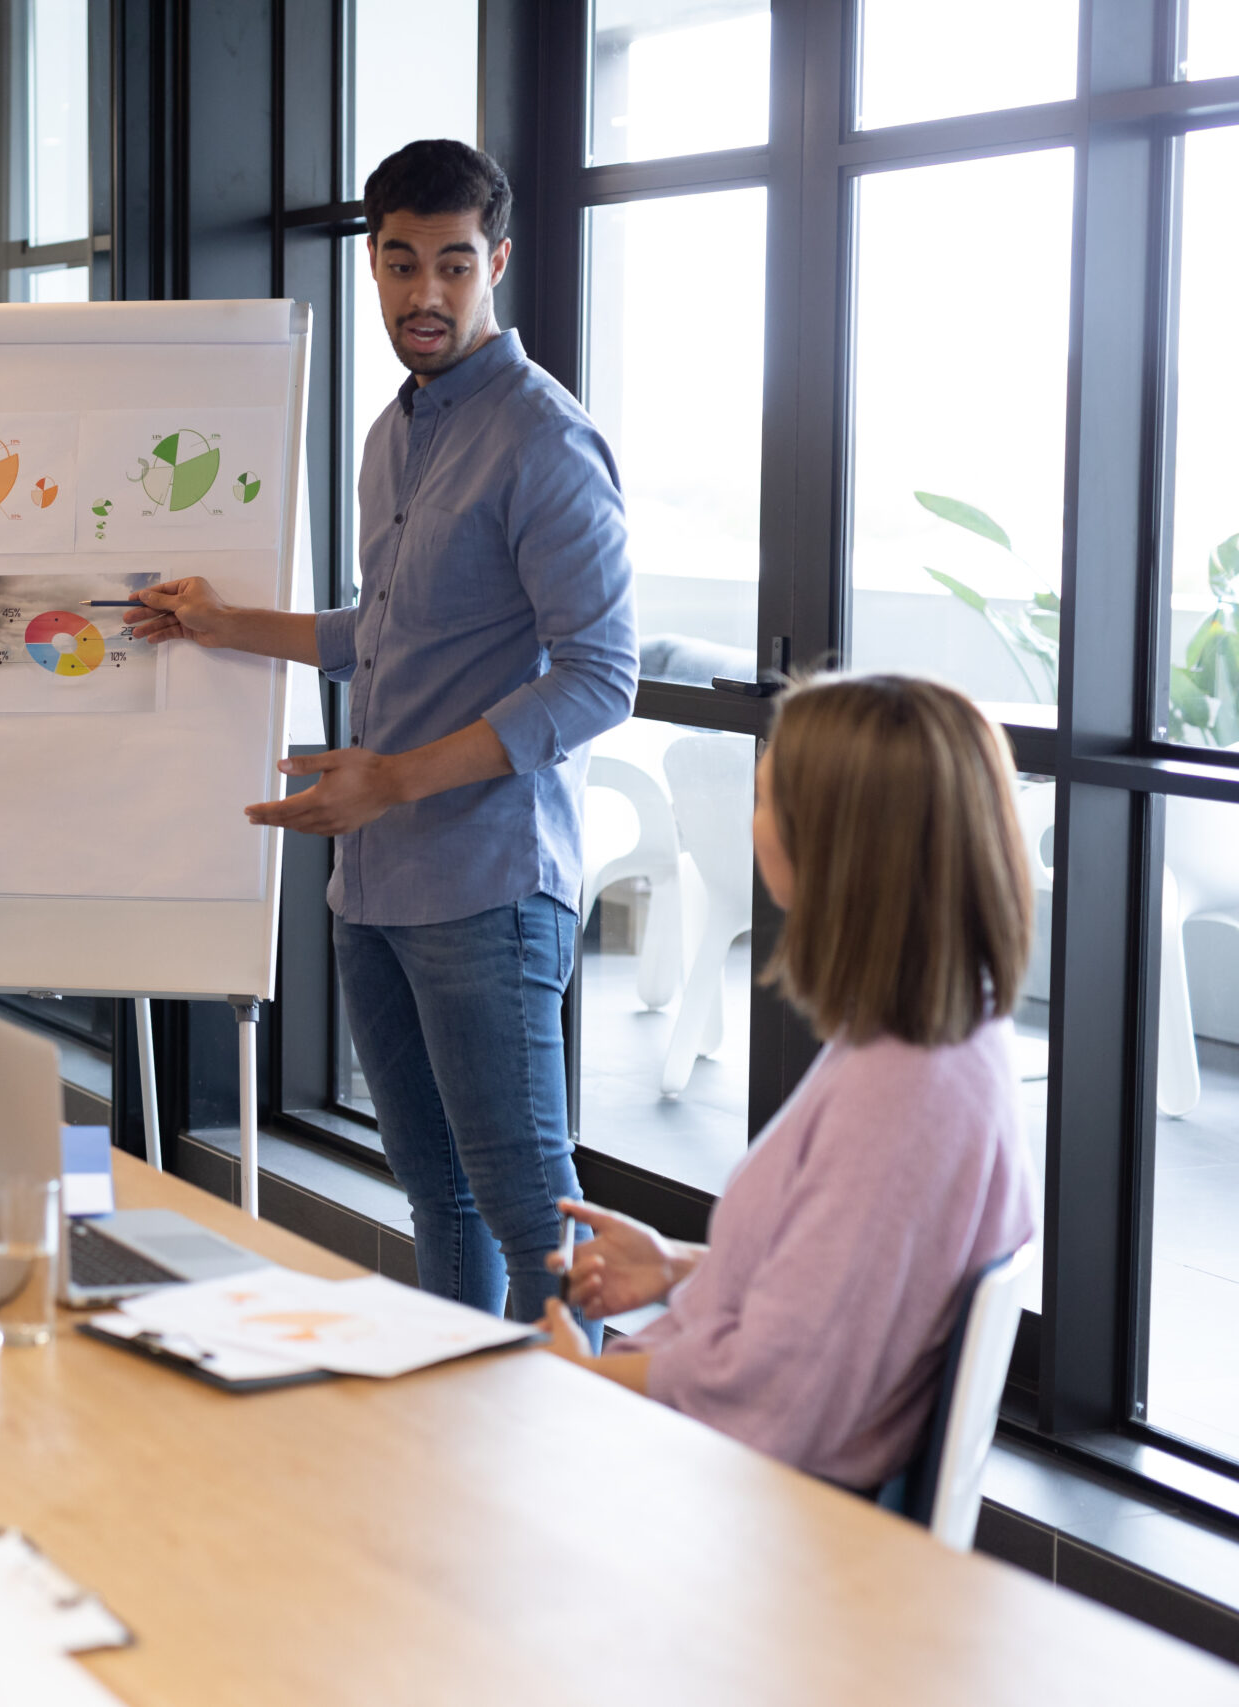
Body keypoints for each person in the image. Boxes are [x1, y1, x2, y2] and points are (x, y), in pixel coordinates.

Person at [130, 139, 636, 1322]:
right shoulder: (393, 434)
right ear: (371, 264)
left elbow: (601, 680)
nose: (425, 294)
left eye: (453, 265)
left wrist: (394, 782)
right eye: (400, 264)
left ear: (494, 262)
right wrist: (220, 623)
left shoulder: (543, 440)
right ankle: (458, 1451)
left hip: (488, 886)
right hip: (373, 889)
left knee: (534, 1222)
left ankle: (573, 1478)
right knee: (438, 1205)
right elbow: (389, 629)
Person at [538, 675, 1038, 1494]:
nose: (751, 825)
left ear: (841, 844)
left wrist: (578, 1381)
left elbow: (776, 1394)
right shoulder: (942, 1038)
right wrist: (684, 1268)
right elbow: (849, 1301)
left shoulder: (901, 1096)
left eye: (766, 802)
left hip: (743, 1514)